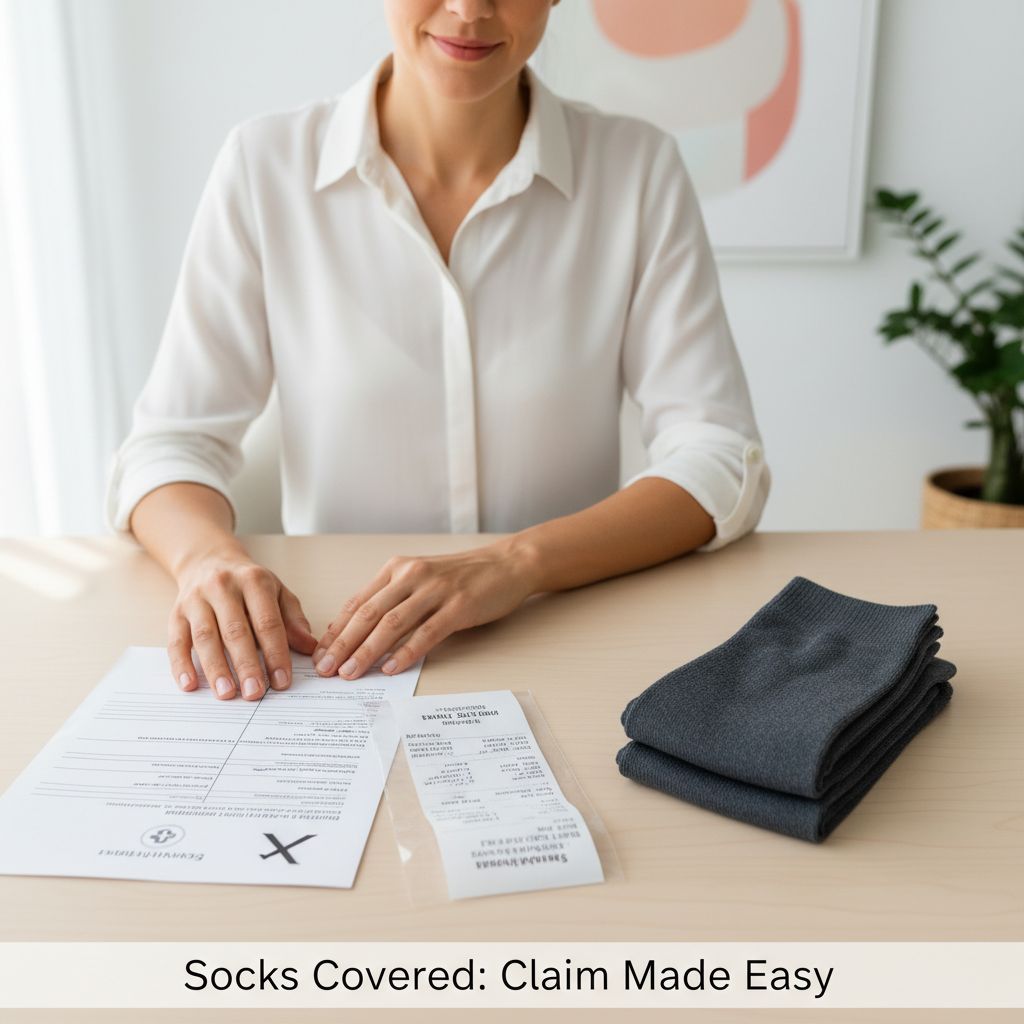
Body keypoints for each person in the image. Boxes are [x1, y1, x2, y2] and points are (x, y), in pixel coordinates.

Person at [109, 0, 769, 703]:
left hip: (564, 638)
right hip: (332, 658)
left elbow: (721, 458)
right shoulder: (264, 166)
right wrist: (206, 559)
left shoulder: (637, 170)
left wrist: (519, 563)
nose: (468, 9)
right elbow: (168, 446)